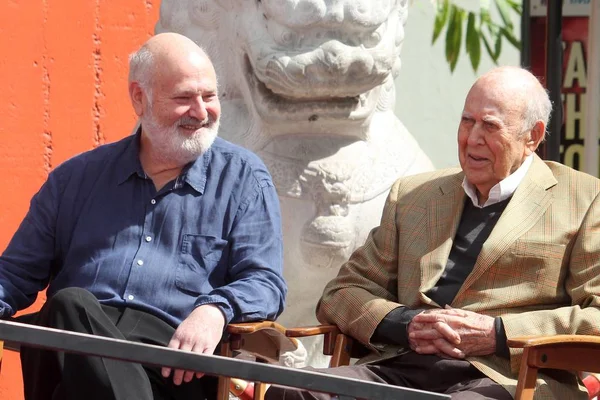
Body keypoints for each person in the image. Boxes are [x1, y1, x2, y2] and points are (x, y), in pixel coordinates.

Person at [264, 66, 600, 400]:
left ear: (533, 136)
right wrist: (404, 324)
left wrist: (498, 333)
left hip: (507, 377)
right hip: (401, 364)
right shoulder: (414, 195)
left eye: (490, 126)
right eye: (467, 121)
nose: (472, 138)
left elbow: (596, 316)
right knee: (290, 390)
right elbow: (342, 292)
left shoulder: (582, 199)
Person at [0, 32, 286, 400]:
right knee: (71, 308)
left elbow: (266, 281)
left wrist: (215, 309)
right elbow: (13, 273)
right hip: (73, 349)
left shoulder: (243, 179)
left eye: (210, 96)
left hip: (173, 364)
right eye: (184, 98)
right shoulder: (75, 180)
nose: (201, 112)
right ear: (139, 98)